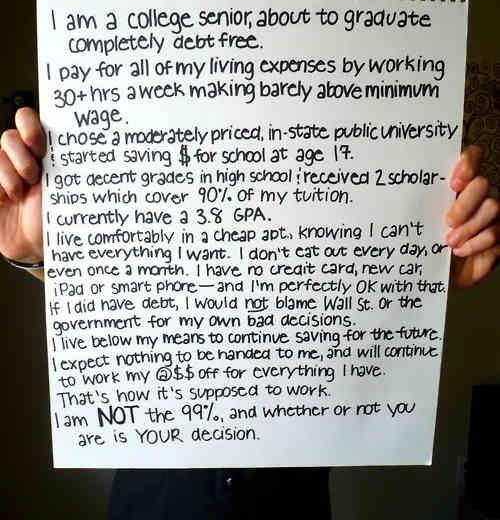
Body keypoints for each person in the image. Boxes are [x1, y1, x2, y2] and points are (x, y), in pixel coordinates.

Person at [1, 107, 499, 519]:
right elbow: (128, 292)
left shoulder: (317, 247)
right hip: (154, 501)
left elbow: (340, 310)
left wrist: (423, 265)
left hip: (290, 502)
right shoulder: (152, 213)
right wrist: (35, 253)